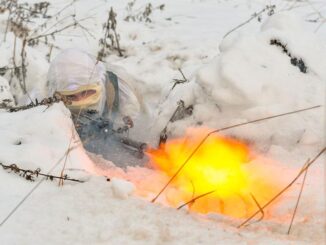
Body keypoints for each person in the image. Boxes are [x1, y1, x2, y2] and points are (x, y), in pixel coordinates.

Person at [47, 49, 146, 165]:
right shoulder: (43, 99)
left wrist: (124, 121)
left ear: (100, 84)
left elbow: (135, 116)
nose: (80, 101)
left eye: (86, 92)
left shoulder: (115, 90)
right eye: (70, 96)